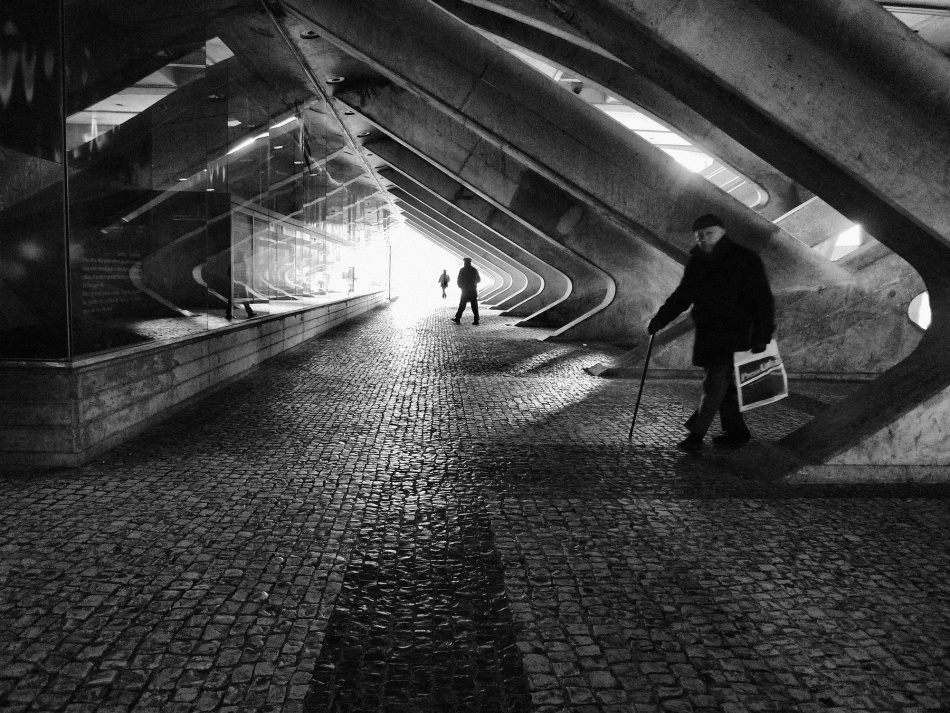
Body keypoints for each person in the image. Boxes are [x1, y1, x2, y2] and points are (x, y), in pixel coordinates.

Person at [647, 214, 775, 454]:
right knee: (724, 386)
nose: (704, 239)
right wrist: (660, 320)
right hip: (708, 332)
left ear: (722, 232)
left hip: (735, 332)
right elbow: (683, 295)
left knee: (714, 383)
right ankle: (737, 431)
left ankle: (696, 434)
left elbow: (762, 299)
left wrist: (762, 335)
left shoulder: (744, 258)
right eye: (699, 235)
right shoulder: (698, 260)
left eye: (709, 233)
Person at [451, 257, 481, 325]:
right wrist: (473, 284)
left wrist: (461, 286)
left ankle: (457, 318)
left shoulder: (462, 270)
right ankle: (476, 320)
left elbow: (459, 279)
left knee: (462, 305)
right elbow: (479, 280)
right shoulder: (474, 270)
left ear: (465, 262)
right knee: (474, 306)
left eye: (464, 262)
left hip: (465, 290)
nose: (464, 263)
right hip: (473, 290)